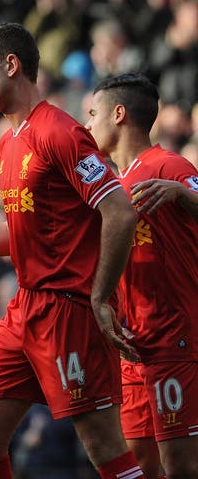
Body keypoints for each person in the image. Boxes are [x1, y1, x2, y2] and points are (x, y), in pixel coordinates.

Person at [0, 23, 143, 479]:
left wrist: (101, 297)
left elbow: (120, 211)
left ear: (11, 64)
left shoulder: (59, 131)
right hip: (25, 308)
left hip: (69, 310)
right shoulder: (9, 141)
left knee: (104, 445)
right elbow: (19, 231)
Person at [85, 73, 198, 478]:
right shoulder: (111, 185)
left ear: (119, 114)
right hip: (132, 345)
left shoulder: (170, 165)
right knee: (139, 463)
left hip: (174, 339)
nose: (87, 125)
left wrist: (184, 194)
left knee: (181, 465)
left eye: (93, 113)